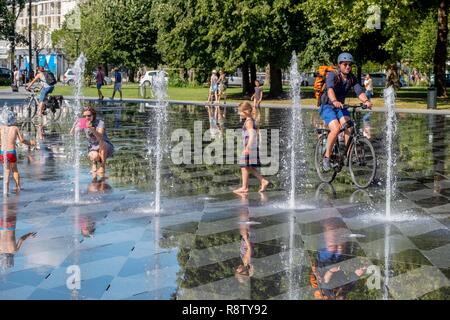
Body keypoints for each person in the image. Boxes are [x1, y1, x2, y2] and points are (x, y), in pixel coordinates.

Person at [319, 53, 372, 172]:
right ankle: (326, 157)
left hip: (340, 107)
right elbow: (330, 89)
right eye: (345, 64)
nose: (348, 66)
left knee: (349, 125)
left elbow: (359, 92)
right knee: (336, 128)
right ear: (339, 65)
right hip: (327, 106)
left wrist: (366, 101)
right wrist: (334, 100)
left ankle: (348, 155)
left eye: (350, 65)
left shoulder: (352, 78)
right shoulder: (333, 75)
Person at [233, 102, 270, 194]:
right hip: (252, 146)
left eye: (240, 112)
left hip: (250, 147)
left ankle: (245, 187)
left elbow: (252, 134)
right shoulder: (250, 120)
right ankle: (262, 181)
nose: (239, 114)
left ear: (246, 111)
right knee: (247, 166)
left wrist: (248, 147)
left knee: (244, 165)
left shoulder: (248, 122)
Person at [0, 109, 36, 193]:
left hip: (2, 152)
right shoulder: (15, 128)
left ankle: (6, 188)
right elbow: (22, 140)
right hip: (11, 152)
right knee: (14, 169)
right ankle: (18, 186)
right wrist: (31, 143)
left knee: (6, 170)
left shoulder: (1, 128)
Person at [70, 106, 114, 175]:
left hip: (105, 147)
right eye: (84, 116)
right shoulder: (84, 122)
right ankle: (94, 163)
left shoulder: (100, 122)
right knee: (94, 156)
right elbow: (72, 134)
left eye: (89, 115)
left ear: (93, 115)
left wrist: (91, 128)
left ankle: (103, 166)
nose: (86, 118)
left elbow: (100, 137)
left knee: (102, 143)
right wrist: (74, 126)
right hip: (93, 147)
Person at [0, 197, 37, 270]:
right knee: (5, 208)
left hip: (11, 226)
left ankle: (12, 194)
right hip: (1, 227)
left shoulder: (14, 250)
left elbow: (21, 239)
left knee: (12, 206)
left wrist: (29, 234)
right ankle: (6, 194)